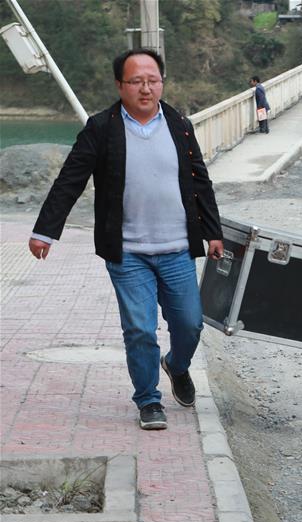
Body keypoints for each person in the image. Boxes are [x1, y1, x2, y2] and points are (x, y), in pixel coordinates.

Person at [28, 48, 224, 431]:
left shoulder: (179, 124)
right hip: (128, 252)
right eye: (136, 81)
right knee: (139, 328)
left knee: (190, 324)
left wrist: (213, 232)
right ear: (120, 86)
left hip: (177, 248)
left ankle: (177, 365)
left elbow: (200, 181)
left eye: (152, 80)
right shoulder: (102, 128)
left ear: (162, 82)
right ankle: (148, 400)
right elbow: (71, 179)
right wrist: (45, 231)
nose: (146, 88)